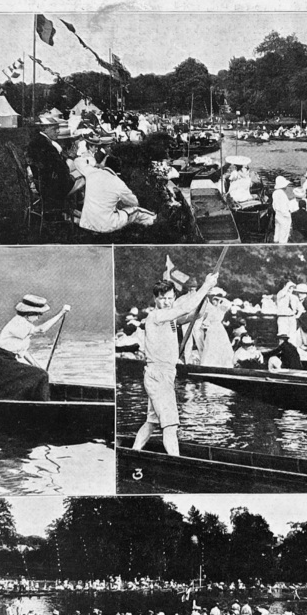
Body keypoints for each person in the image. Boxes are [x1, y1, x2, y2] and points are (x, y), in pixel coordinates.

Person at [132, 273, 219, 455]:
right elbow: (185, 307)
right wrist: (205, 285)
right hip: (159, 375)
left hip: (162, 375)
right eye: (162, 298)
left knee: (152, 422)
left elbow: (196, 313)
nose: (167, 302)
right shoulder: (156, 316)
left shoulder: (170, 317)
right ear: (155, 298)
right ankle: (176, 462)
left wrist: (206, 293)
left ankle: (134, 453)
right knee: (171, 424)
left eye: (170, 298)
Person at [0, 295, 70, 401]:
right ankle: (44, 405)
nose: (39, 317)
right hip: (1, 363)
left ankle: (42, 402)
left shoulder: (25, 324)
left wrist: (37, 366)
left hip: (6, 361)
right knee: (41, 375)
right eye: (38, 314)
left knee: (40, 373)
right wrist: (61, 313)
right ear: (29, 314)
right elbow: (41, 329)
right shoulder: (19, 322)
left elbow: (24, 351)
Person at [75, 155, 155, 234]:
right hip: (106, 226)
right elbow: (134, 203)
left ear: (105, 164)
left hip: (86, 223)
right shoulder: (118, 183)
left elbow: (77, 161)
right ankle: (154, 220)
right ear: (118, 170)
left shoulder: (91, 172)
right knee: (138, 211)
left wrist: (95, 164)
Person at [26, 122, 76, 206]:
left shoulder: (37, 141)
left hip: (40, 183)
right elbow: (63, 169)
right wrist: (71, 158)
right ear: (44, 129)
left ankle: (69, 208)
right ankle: (74, 208)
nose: (58, 131)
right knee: (83, 174)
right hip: (50, 188)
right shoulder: (47, 146)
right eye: (54, 129)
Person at [194, 287, 235, 367]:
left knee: (221, 345)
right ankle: (211, 363)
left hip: (218, 328)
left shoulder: (221, 308)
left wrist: (220, 299)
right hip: (212, 329)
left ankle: (222, 363)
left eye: (215, 299)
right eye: (213, 299)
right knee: (211, 345)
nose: (214, 302)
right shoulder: (210, 307)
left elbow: (227, 304)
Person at [271, 176, 292, 243]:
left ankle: (276, 243)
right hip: (283, 215)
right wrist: (288, 215)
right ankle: (282, 246)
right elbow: (283, 207)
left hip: (277, 214)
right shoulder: (282, 194)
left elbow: (274, 205)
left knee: (277, 231)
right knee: (284, 233)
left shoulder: (275, 193)